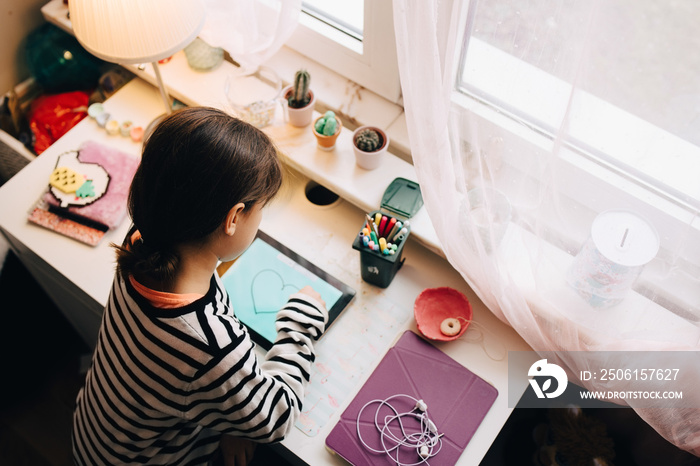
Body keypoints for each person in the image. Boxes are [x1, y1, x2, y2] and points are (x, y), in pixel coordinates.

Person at [71, 107, 328, 465]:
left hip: (98, 437)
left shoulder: (143, 241)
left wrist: (230, 418)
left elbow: (187, 378)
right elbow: (275, 417)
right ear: (234, 218)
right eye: (260, 209)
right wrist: (302, 321)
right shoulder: (211, 347)